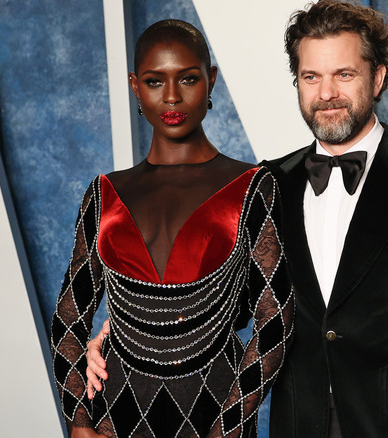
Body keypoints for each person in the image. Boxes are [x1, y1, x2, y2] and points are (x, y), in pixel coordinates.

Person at [88, 1, 388, 436]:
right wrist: (125, 328)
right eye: (311, 77)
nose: (326, 93)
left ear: (377, 78)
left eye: (344, 74)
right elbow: (236, 304)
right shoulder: (268, 182)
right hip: (299, 423)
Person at [50, 19, 294, 438]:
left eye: (188, 78)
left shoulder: (251, 186)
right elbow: (68, 318)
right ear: (134, 86)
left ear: (211, 79)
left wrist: (230, 427)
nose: (172, 97)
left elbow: (276, 317)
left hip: (217, 413)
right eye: (154, 81)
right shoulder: (105, 193)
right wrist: (78, 420)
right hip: (114, 415)